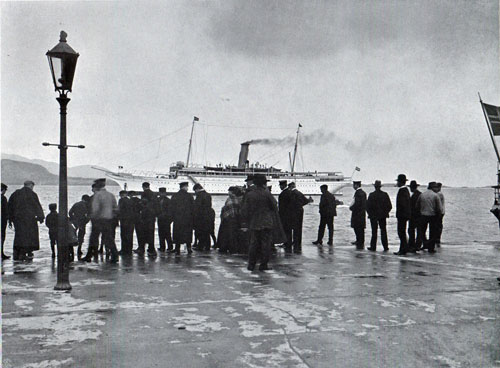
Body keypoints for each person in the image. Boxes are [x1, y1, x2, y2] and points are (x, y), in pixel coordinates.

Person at [241, 174, 279, 271]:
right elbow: (275, 206)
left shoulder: (250, 194)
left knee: (253, 244)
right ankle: (263, 265)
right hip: (266, 222)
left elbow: (244, 210)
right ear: (264, 183)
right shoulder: (267, 194)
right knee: (265, 244)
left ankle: (251, 265)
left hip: (254, 222)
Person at [82, 178, 119, 263]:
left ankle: (89, 256)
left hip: (98, 220)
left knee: (93, 238)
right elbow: (115, 208)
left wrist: (91, 217)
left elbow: (96, 209)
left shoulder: (97, 195)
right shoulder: (111, 195)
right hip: (108, 220)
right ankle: (115, 256)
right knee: (109, 239)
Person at [8, 180, 44, 261]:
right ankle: (26, 252)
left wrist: (10, 219)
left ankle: (17, 252)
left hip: (17, 219)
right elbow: (37, 205)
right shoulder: (32, 194)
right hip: (29, 219)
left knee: (19, 235)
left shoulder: (15, 193)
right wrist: (41, 217)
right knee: (30, 236)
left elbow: (10, 206)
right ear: (31, 185)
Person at [416, 182, 443, 253]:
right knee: (433, 232)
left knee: (422, 231)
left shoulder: (422, 195)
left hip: (423, 215)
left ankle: (425, 243)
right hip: (432, 216)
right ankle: (431, 247)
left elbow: (417, 205)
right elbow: (439, 208)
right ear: (433, 187)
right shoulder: (435, 195)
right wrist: (439, 216)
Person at [366, 180, 392, 251]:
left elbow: (367, 206)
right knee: (383, 231)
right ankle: (385, 246)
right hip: (382, 216)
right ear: (380, 186)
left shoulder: (371, 195)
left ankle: (373, 247)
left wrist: (370, 214)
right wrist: (385, 213)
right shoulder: (385, 194)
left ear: (374, 187)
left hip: (373, 216)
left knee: (374, 232)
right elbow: (389, 206)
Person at [170, 182, 194, 255]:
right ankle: (189, 248)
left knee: (178, 233)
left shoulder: (175, 196)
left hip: (178, 218)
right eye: (187, 186)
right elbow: (193, 208)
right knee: (188, 233)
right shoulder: (190, 196)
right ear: (185, 187)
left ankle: (177, 248)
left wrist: (172, 217)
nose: (188, 188)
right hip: (187, 218)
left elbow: (171, 208)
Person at [217, 186, 243, 253]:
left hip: (229, 219)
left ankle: (225, 248)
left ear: (231, 192)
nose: (228, 192)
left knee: (227, 235)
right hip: (235, 219)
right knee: (232, 235)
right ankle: (232, 248)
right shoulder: (237, 199)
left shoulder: (230, 199)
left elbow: (227, 208)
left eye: (229, 191)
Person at [288, 182, 310, 253]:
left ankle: (294, 241)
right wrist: (300, 205)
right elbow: (306, 201)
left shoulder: (291, 193)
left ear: (290, 187)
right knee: (299, 227)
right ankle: (298, 242)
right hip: (300, 211)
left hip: (293, 212)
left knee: (293, 227)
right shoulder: (299, 193)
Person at [193, 183, 213, 251]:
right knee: (206, 232)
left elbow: (197, 207)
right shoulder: (208, 195)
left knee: (200, 232)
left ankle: (200, 246)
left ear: (197, 189)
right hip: (208, 216)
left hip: (200, 217)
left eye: (195, 191)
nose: (195, 192)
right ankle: (207, 246)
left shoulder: (199, 196)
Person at [69, 194, 90, 259]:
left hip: (75, 222)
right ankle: (79, 249)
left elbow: (70, 212)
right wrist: (86, 221)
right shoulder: (87, 205)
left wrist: (73, 219)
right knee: (81, 236)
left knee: (72, 235)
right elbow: (89, 215)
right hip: (82, 222)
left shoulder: (76, 204)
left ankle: (71, 250)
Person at [394, 174, 411, 256]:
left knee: (401, 232)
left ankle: (403, 249)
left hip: (402, 215)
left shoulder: (402, 191)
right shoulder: (406, 190)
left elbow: (402, 204)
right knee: (402, 232)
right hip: (405, 215)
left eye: (398, 181)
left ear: (400, 182)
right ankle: (404, 248)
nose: (397, 183)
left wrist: (400, 214)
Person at [349, 181, 367, 250]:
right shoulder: (363, 193)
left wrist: (351, 208)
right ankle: (360, 240)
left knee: (356, 227)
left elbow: (357, 203)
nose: (353, 186)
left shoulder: (358, 193)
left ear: (356, 185)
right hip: (362, 213)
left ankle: (359, 241)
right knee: (361, 228)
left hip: (357, 213)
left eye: (354, 185)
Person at [408, 180, 424, 252]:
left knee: (411, 230)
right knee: (419, 231)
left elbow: (411, 206)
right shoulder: (420, 194)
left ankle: (412, 245)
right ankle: (418, 245)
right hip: (420, 215)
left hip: (413, 215)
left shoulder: (414, 196)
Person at [118, 190, 135, 255]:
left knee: (124, 235)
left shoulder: (121, 200)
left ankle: (124, 250)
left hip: (124, 220)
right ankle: (129, 250)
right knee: (130, 235)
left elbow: (119, 210)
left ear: (121, 195)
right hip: (131, 221)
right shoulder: (131, 201)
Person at [157, 188, 173, 253]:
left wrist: (169, 219)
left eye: (163, 193)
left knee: (167, 233)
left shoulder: (168, 201)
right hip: (161, 219)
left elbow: (170, 211)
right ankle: (163, 247)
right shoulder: (159, 200)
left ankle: (169, 247)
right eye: (161, 193)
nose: (161, 194)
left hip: (166, 219)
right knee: (161, 233)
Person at [278, 180, 292, 250]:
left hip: (284, 214)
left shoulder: (283, 194)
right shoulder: (289, 192)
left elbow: (282, 206)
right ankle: (288, 242)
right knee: (288, 229)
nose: (279, 187)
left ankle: (287, 243)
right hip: (289, 214)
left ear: (283, 185)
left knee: (286, 229)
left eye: (280, 185)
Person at [1, 183, 10, 259]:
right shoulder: (3, 199)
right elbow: (6, 211)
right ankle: (1, 253)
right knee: (2, 237)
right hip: (2, 221)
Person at [435, 182, 445, 247]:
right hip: (441, 211)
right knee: (439, 225)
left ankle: (437, 238)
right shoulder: (440, 194)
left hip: (439, 212)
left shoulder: (438, 194)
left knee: (438, 225)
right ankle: (437, 238)